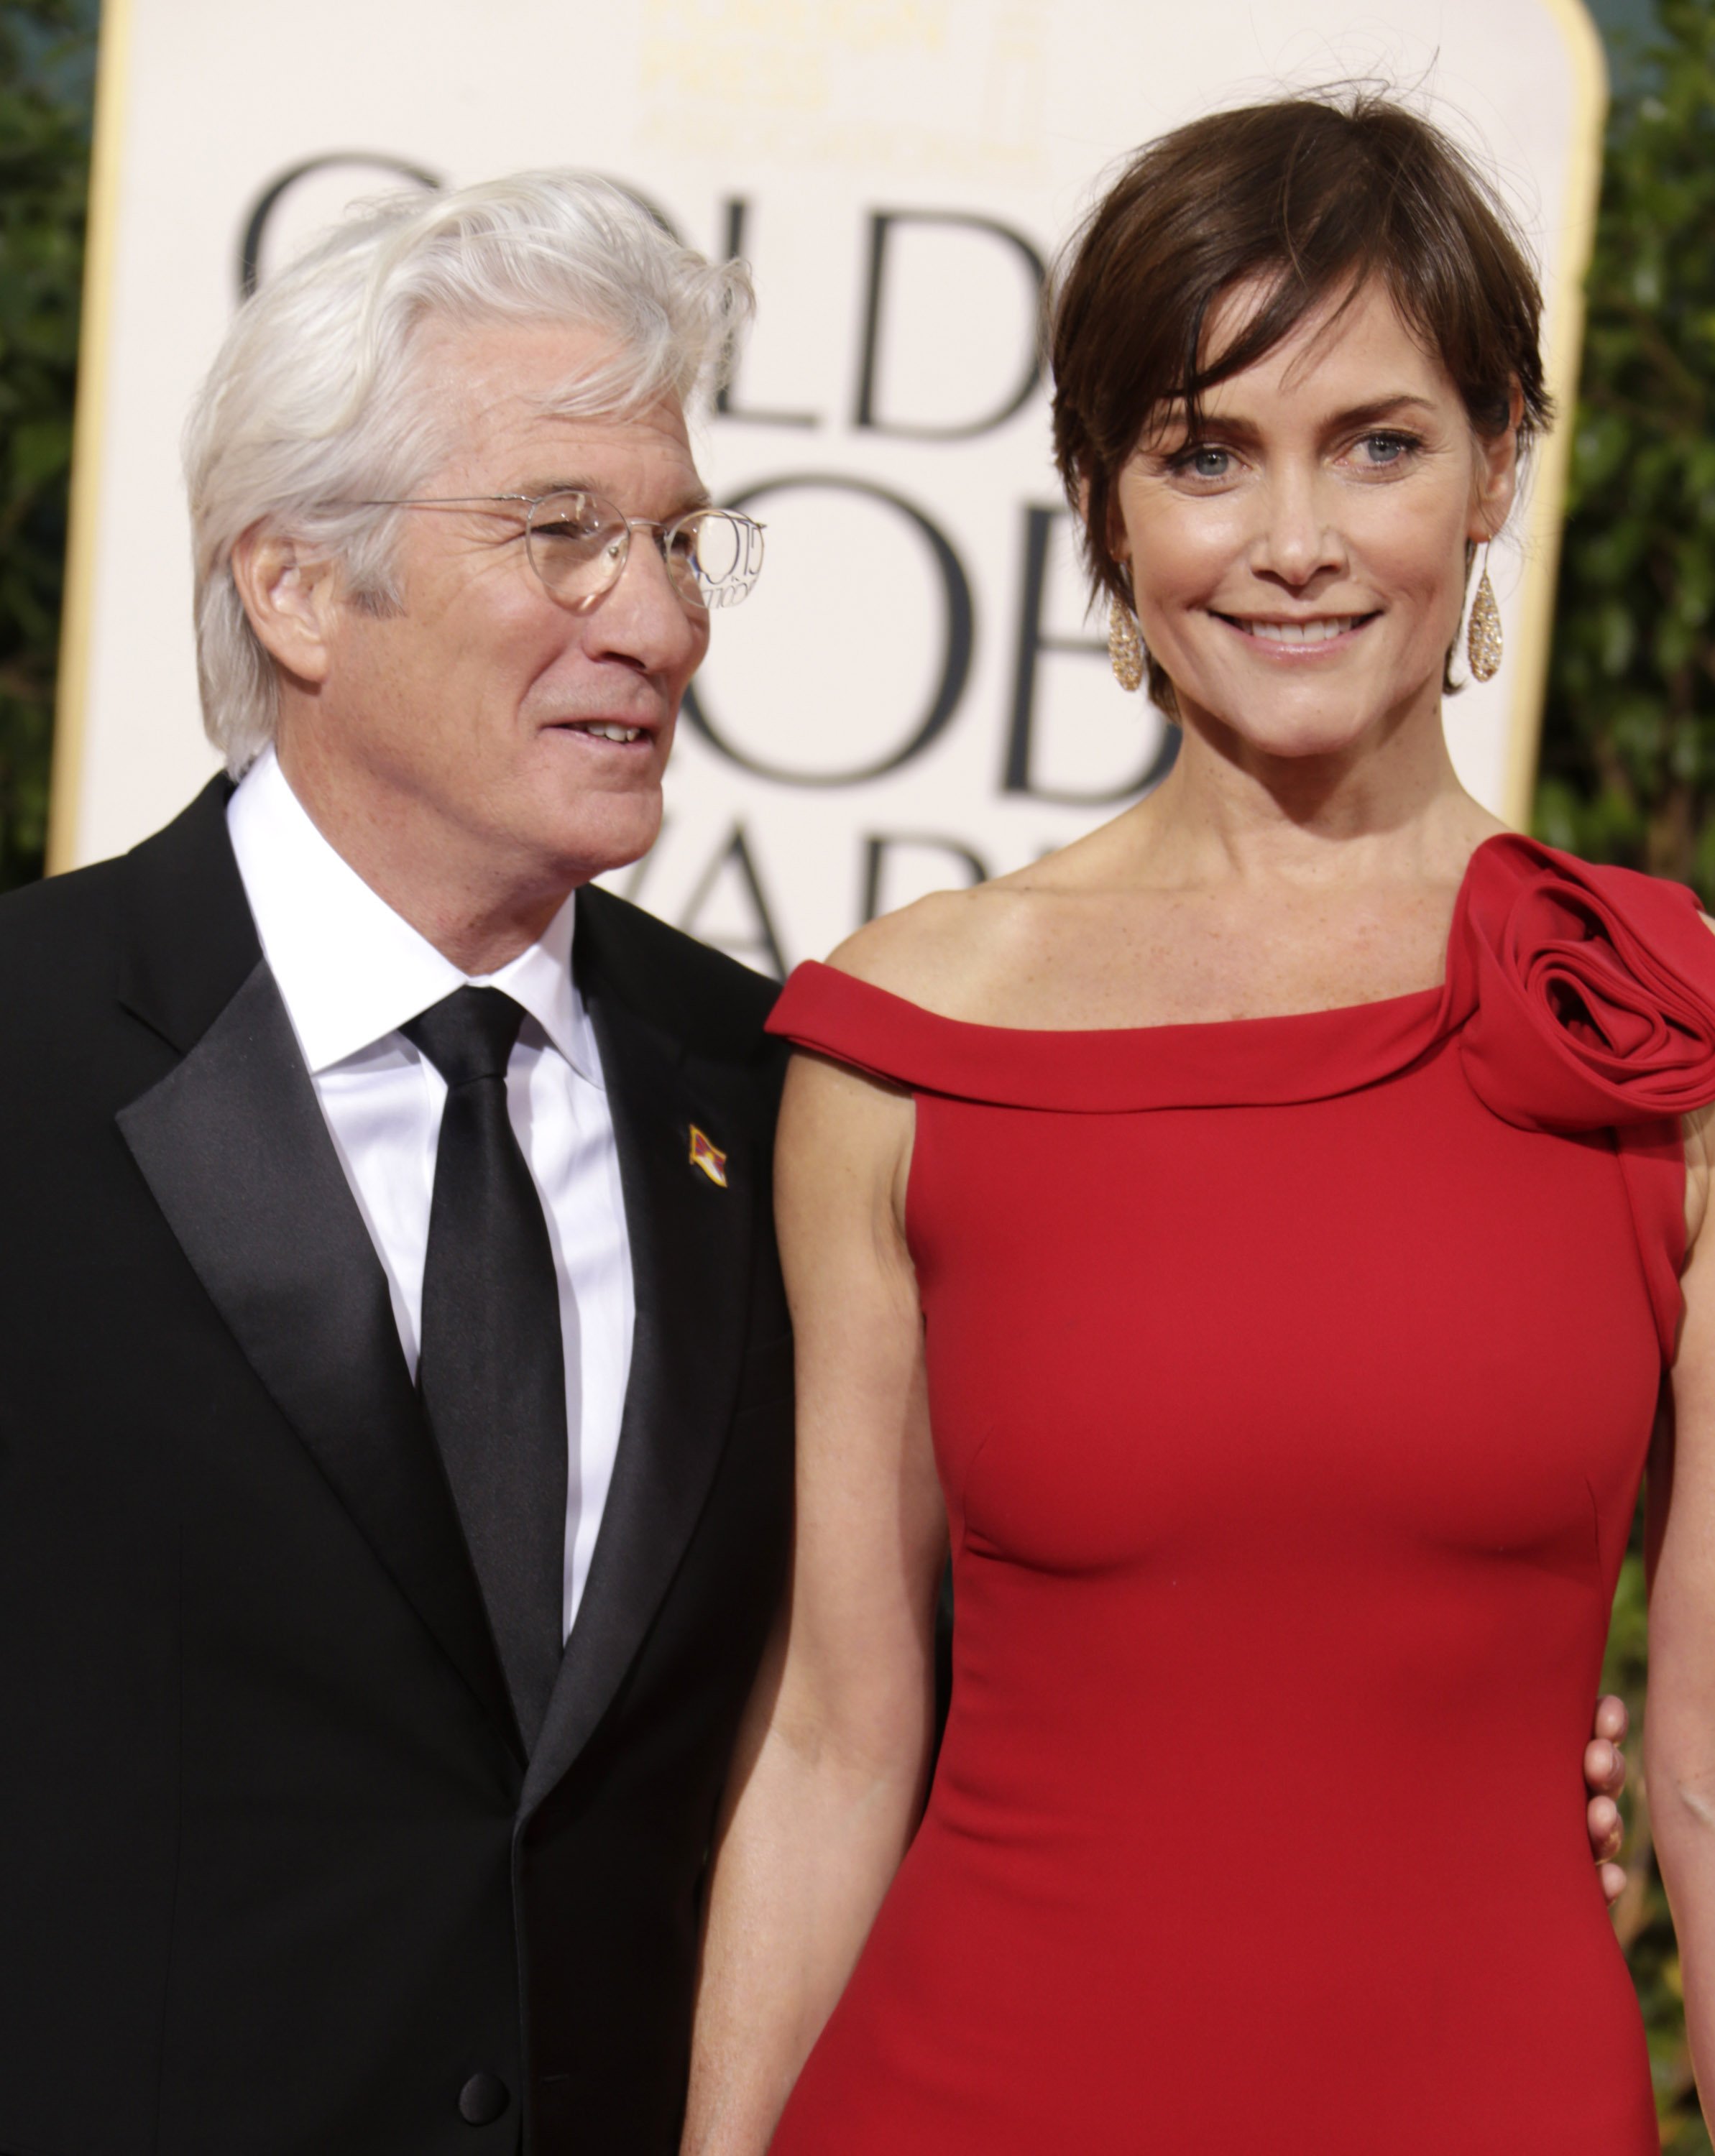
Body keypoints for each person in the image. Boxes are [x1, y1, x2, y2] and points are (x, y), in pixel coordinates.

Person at [680, 94, 1714, 2154]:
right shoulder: (904, 1039)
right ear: (1100, 501)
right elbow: (828, 1735)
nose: (1296, 541)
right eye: (1203, 453)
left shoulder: (1661, 1032)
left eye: (1380, 444)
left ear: (1501, 457)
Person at [0, 174, 794, 2156]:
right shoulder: (20, 1048)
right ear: (293, 589)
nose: (660, 615)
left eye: (681, 541)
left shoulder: (770, 1097)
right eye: (565, 534)